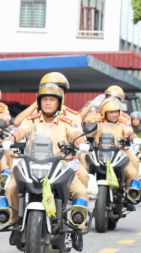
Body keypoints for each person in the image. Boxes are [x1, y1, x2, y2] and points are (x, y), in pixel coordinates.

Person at [7, 82, 90, 237]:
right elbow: (21, 130)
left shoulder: (67, 121)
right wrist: (11, 139)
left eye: (52, 99)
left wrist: (82, 144)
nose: (48, 103)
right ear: (39, 102)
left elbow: (75, 133)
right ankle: (15, 224)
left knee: (81, 191)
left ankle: (77, 229)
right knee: (11, 187)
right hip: (32, 166)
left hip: (60, 167)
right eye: (44, 99)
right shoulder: (31, 120)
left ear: (59, 102)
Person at [93, 99, 141, 209]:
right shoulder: (97, 120)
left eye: (116, 111)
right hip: (100, 152)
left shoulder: (123, 120)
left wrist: (134, 138)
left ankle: (130, 193)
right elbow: (81, 122)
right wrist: (91, 106)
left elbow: (129, 131)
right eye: (111, 112)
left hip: (120, 152)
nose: (114, 114)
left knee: (133, 169)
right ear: (104, 112)